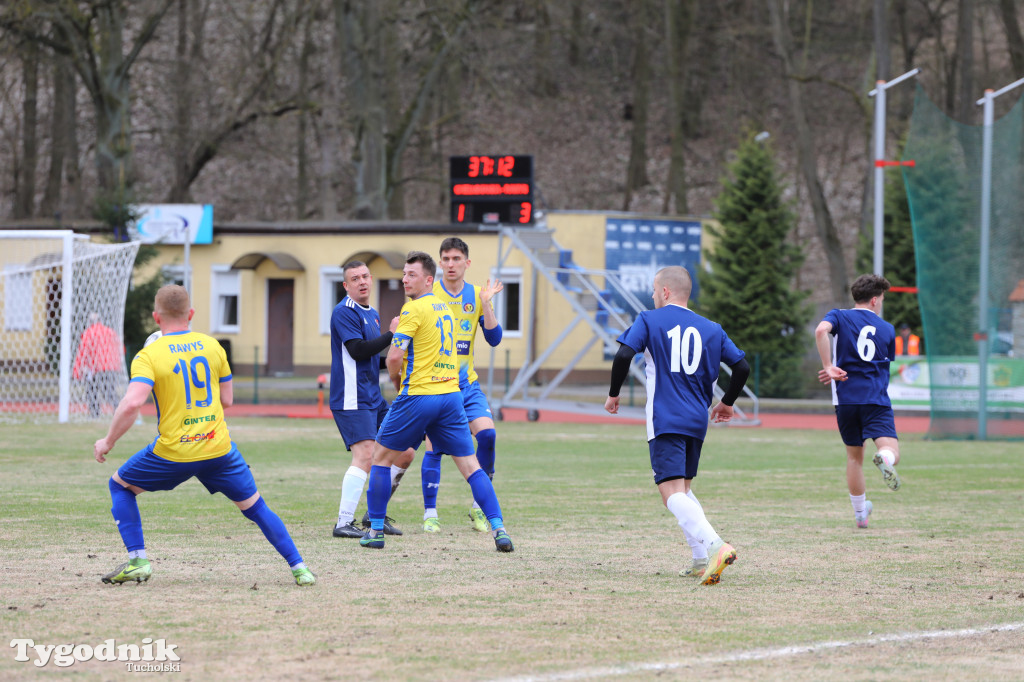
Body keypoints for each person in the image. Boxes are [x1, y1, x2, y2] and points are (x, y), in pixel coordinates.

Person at [93, 285, 315, 586]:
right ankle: (300, 568)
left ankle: (138, 561)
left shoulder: (149, 354)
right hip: (219, 449)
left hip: (174, 451)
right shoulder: (213, 346)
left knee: (119, 485)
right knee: (256, 508)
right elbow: (227, 400)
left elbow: (133, 402)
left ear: (156, 317)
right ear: (191, 314)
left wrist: (108, 441)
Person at [605, 266, 749, 586]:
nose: (653, 296)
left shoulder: (649, 319)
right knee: (682, 489)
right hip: (697, 419)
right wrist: (726, 402)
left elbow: (624, 353)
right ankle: (700, 559)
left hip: (665, 417)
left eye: (655, 290)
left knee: (669, 493)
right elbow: (741, 365)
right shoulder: (712, 328)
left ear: (666, 292)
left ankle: (715, 546)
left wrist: (613, 394)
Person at [360, 251, 513, 552]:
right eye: (403, 274)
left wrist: (397, 382)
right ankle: (499, 529)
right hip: (451, 396)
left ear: (429, 279)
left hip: (419, 395)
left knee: (379, 458)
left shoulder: (412, 309)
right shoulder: (444, 308)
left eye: (411, 274)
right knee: (471, 467)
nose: (405, 279)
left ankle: (375, 531)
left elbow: (394, 356)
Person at [420, 237, 504, 533]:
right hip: (437, 385)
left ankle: (479, 507)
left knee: (489, 436)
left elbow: (494, 339)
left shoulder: (478, 295)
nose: (451, 264)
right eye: (446, 259)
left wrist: (486, 305)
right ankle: (430, 513)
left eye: (457, 259)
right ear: (439, 263)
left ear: (467, 263)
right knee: (434, 449)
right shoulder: (429, 295)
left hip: (467, 386)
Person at [329, 261, 415, 538]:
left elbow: (370, 358)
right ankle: (343, 523)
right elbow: (357, 351)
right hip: (352, 397)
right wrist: (392, 334)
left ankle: (374, 514)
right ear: (346, 285)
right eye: (355, 278)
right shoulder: (343, 312)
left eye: (365, 276)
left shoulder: (372, 313)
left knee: (405, 452)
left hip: (373, 397)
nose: (362, 281)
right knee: (365, 456)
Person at [815, 273, 902, 531]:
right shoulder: (887, 329)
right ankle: (885, 458)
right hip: (875, 399)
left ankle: (861, 514)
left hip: (845, 399)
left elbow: (821, 330)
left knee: (854, 458)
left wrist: (828, 366)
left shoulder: (839, 316)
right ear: (875, 300)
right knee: (891, 449)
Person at [73, 313, 124, 418]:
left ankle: (95, 414)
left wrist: (77, 371)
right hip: (112, 367)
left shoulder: (89, 333)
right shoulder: (111, 332)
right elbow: (121, 349)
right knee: (110, 391)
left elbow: (83, 352)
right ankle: (119, 411)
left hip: (97, 367)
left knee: (92, 391)